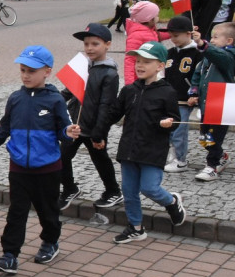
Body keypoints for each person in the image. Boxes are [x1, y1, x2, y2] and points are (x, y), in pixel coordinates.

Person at [0, 46, 81, 274]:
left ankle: (51, 240)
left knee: (48, 212)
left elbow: (63, 130)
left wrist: (69, 133)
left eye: (32, 71)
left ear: (47, 71)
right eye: (23, 70)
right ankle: (9, 255)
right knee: (17, 212)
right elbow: (3, 130)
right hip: (19, 169)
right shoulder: (15, 99)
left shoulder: (55, 100)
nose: (26, 75)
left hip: (47, 169)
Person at [106, 42, 185, 243]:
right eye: (138, 61)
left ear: (160, 66)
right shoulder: (129, 90)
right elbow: (113, 114)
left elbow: (174, 119)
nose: (140, 65)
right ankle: (136, 227)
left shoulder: (167, 92)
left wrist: (169, 123)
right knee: (129, 191)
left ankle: (172, 201)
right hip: (129, 150)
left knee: (149, 188)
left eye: (146, 62)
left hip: (152, 151)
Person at [59, 24, 123, 211]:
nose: (89, 48)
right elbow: (67, 91)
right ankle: (70, 188)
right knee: (61, 157)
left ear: (108, 44)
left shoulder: (109, 74)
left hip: (94, 127)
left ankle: (113, 191)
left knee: (100, 160)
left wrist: (99, 133)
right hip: (74, 125)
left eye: (95, 43)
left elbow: (106, 105)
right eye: (86, 44)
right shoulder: (82, 67)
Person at [189, 21, 235, 181]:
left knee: (213, 138)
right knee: (204, 137)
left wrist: (202, 43)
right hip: (206, 103)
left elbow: (220, 56)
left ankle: (212, 166)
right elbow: (198, 71)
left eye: (216, 37)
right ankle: (222, 155)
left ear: (229, 41)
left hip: (221, 103)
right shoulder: (209, 57)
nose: (212, 40)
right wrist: (194, 89)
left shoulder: (229, 56)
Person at [163, 15, 202, 173]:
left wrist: (196, 93)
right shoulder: (170, 52)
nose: (173, 39)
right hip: (169, 97)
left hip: (185, 98)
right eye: (171, 36)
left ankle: (180, 160)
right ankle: (171, 155)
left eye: (176, 36)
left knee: (179, 130)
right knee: (168, 129)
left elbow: (200, 75)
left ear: (188, 34)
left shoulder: (197, 52)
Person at [124, 1, 170, 85]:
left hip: (150, 75)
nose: (158, 17)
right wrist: (129, 84)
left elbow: (159, 35)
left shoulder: (150, 30)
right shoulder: (136, 35)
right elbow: (130, 60)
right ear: (149, 19)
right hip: (140, 78)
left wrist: (175, 31)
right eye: (156, 15)